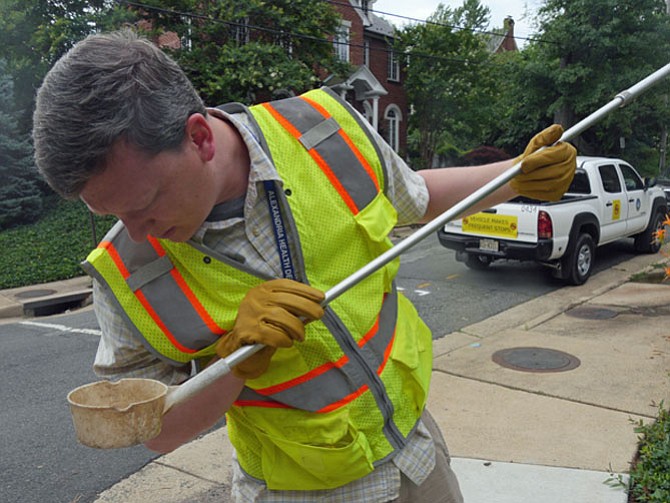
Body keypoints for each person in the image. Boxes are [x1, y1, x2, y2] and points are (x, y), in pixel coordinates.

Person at [33, 30, 576, 503]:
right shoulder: (128, 274)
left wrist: (515, 177)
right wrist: (233, 364)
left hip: (417, 456)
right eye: (112, 214)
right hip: (298, 491)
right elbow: (158, 434)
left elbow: (411, 195)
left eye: (144, 203)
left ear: (198, 137)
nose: (136, 232)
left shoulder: (322, 130)